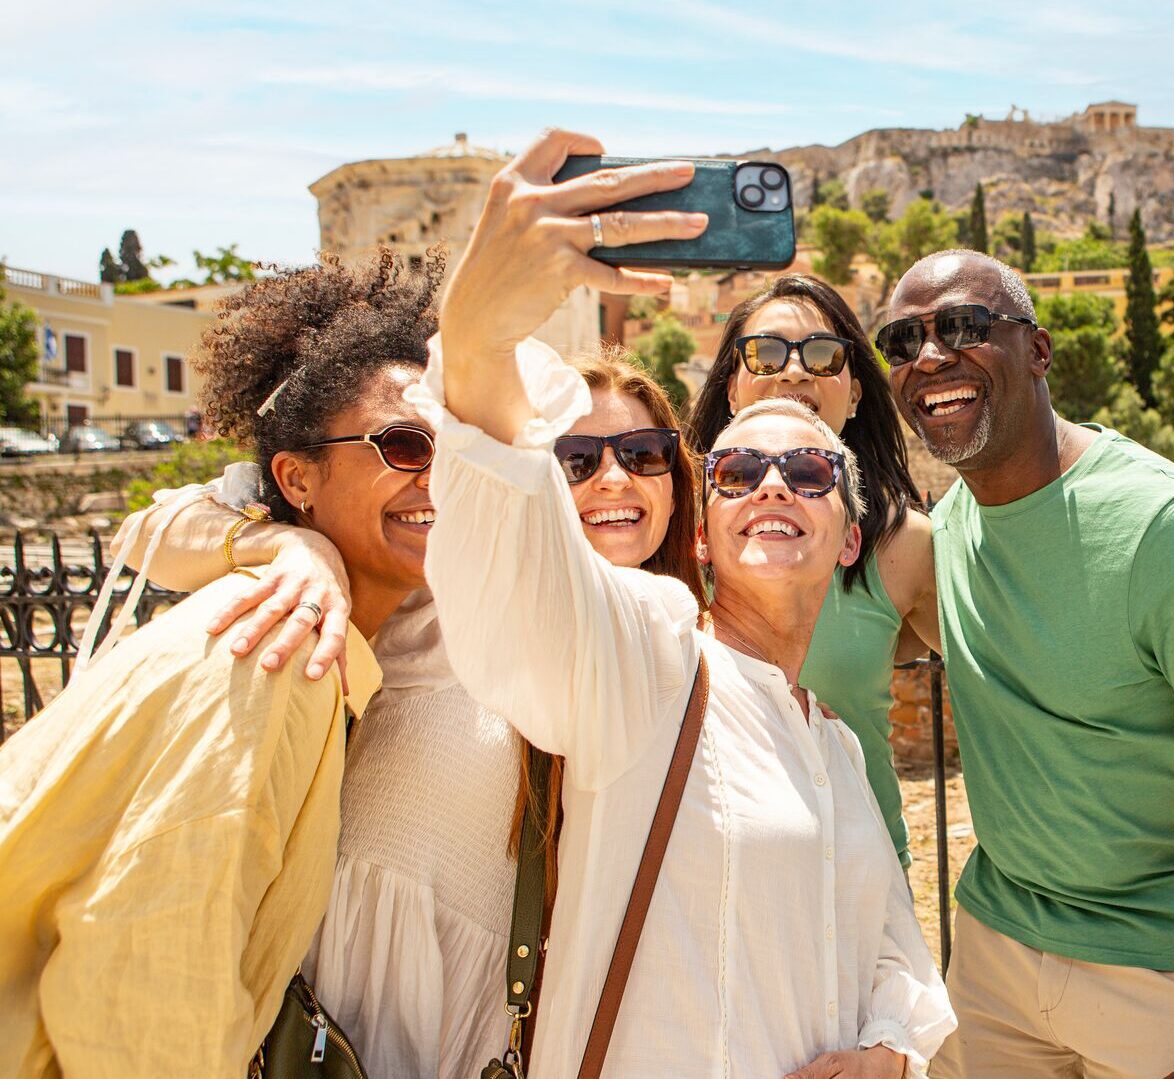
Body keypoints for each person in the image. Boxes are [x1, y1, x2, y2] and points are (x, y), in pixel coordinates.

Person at [417, 128, 953, 1076]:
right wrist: (476, 340)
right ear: (701, 536)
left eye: (810, 470)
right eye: (740, 468)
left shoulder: (832, 744)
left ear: (853, 537)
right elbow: (523, 590)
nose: (775, 485)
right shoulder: (649, 660)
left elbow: (887, 939)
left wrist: (890, 1045)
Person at [106, 345, 704, 1078]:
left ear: (676, 483)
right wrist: (291, 546)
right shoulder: (448, 598)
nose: (614, 477)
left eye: (645, 453)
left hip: (525, 1027)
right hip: (359, 1012)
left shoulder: (696, 664)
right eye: (575, 457)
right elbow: (150, 529)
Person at [0, 252, 442, 1075]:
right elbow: (150, 995)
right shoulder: (271, 650)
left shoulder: (331, 627)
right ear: (296, 478)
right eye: (406, 444)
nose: (440, 473)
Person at [877, 249, 1174, 1078]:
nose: (930, 357)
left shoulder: (1172, 529)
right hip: (993, 961)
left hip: (1156, 973)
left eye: (963, 326)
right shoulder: (949, 528)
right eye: (903, 341)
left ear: (1038, 352)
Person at [687, 273, 938, 869]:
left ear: (854, 395)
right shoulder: (667, 534)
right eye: (766, 353)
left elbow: (1005, 682)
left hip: (861, 883)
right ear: (730, 389)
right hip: (704, 885)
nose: (795, 372)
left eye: (824, 356)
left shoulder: (904, 548)